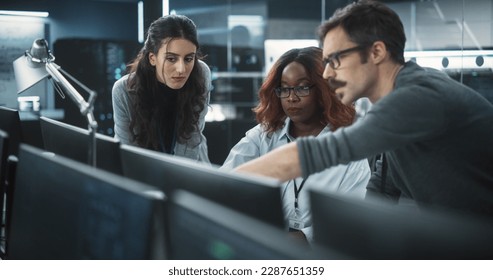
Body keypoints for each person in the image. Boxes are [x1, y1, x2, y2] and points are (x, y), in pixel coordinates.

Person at [235, 0, 493, 218]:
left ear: (377, 52)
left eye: (336, 59)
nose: (327, 73)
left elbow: (321, 152)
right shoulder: (395, 109)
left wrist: (223, 189)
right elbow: (381, 193)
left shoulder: (418, 96)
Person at [221, 47, 371, 242]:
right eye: (284, 88)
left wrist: (298, 238)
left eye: (302, 87)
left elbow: (348, 225)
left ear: (325, 90)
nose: (291, 97)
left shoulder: (350, 152)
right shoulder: (263, 136)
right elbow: (224, 184)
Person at [112, 15, 211, 162]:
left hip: (190, 168)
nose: (181, 69)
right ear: (152, 58)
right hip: (142, 173)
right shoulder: (124, 91)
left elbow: (191, 138)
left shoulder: (200, 73)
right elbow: (127, 153)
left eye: (189, 58)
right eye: (171, 59)